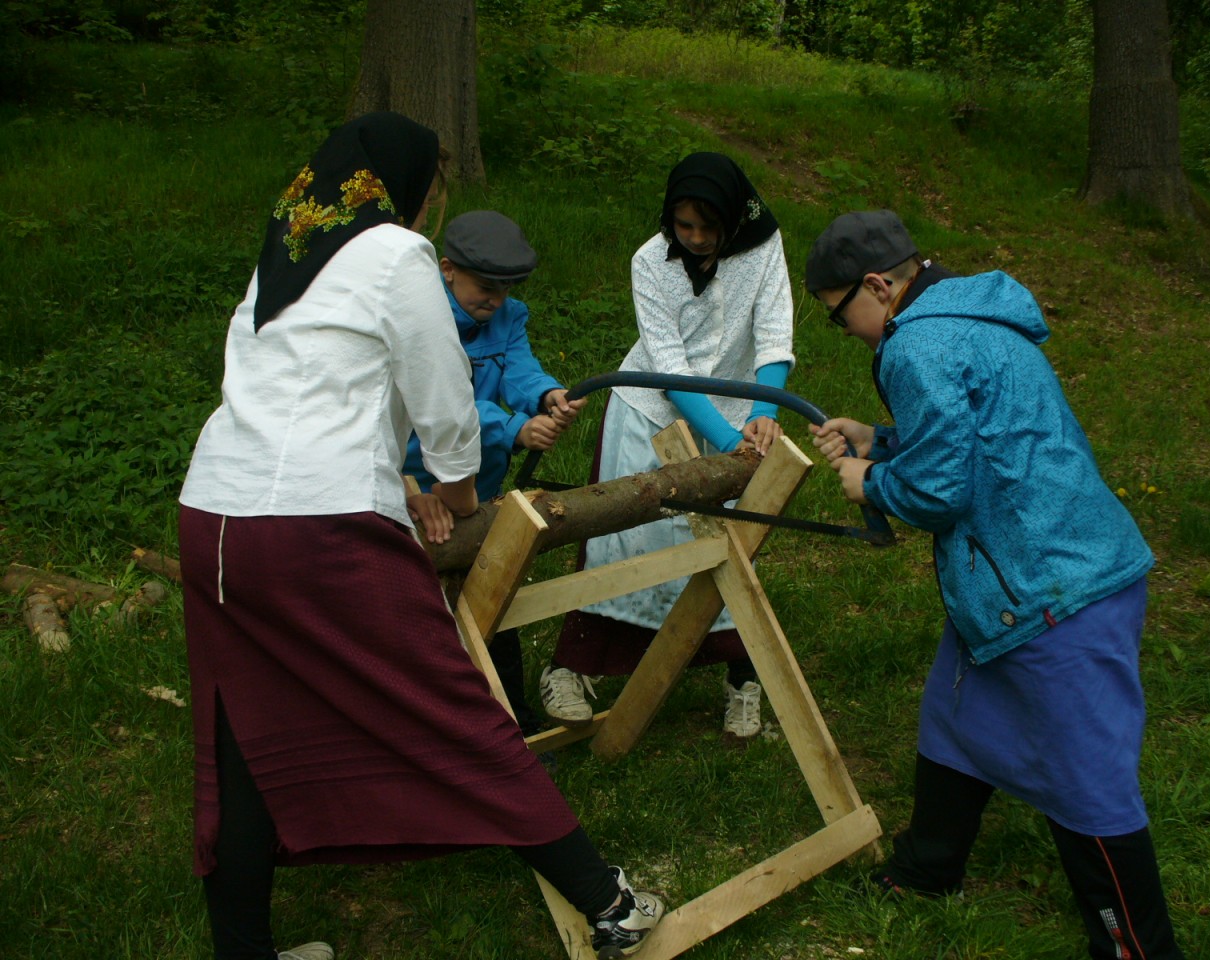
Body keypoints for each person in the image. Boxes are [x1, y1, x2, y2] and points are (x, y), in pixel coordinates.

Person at [178, 112, 662, 960]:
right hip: (315, 526)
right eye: (434, 189)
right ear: (408, 190)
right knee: (452, 705)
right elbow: (441, 399)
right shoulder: (395, 251)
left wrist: (394, 481)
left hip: (215, 516)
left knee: (241, 732)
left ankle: (242, 950)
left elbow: (296, 388)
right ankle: (610, 902)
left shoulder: (288, 253)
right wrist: (455, 490)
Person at [804, 210, 1185, 959]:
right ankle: (929, 868)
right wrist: (878, 439)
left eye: (839, 313)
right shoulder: (967, 315)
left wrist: (871, 481)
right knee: (955, 721)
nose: (844, 330)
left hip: (1054, 594)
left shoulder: (918, 344)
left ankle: (1138, 947)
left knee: (1088, 784)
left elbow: (942, 491)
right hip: (1025, 581)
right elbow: (976, 436)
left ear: (878, 287)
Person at [538, 152, 795, 739]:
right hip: (651, 414)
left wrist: (760, 416)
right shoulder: (650, 262)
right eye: (685, 226)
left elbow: (774, 335)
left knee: (728, 551)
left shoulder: (762, 246)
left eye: (709, 227)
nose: (698, 238)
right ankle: (572, 668)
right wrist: (733, 445)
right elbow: (670, 369)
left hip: (733, 415)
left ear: (734, 218)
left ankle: (742, 680)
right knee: (628, 544)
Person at [402, 209, 585, 735]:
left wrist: (546, 394)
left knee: (490, 600)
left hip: (478, 489)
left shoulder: (507, 316)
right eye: (486, 288)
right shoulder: (423, 321)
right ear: (446, 269)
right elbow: (443, 403)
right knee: (425, 608)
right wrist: (514, 429)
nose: (496, 301)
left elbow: (519, 365)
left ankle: (513, 720)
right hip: (416, 486)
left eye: (506, 290)